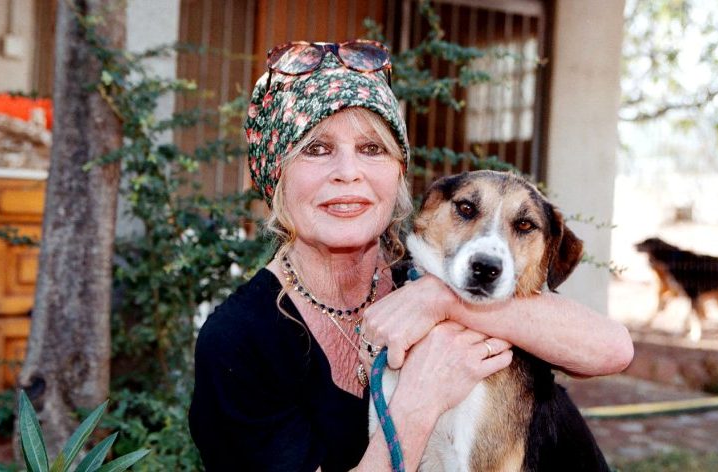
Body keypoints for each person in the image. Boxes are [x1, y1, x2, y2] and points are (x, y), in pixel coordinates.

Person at [189, 40, 633, 472]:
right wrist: (418, 403)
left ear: (399, 173)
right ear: (276, 177)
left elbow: (611, 350)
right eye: (316, 149)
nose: (348, 172)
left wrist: (441, 300)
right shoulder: (239, 341)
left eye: (372, 149)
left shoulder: (427, 280)